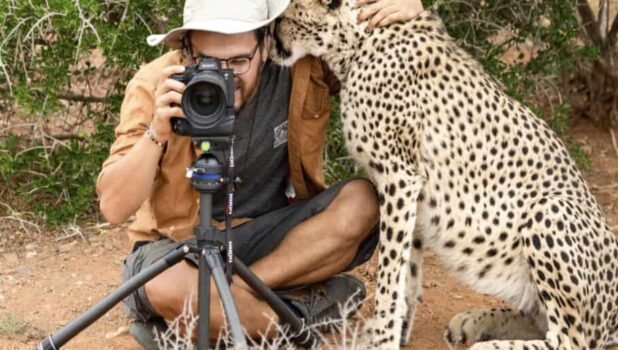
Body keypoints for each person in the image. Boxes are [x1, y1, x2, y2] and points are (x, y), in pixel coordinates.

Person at [96, 0, 424, 347]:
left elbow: (371, 46)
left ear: (265, 45)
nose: (226, 76)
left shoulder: (298, 66)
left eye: (239, 61)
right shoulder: (159, 84)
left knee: (362, 202)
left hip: (269, 238)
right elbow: (114, 207)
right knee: (163, 283)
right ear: (187, 49)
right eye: (207, 61)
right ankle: (296, 317)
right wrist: (155, 133)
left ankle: (207, 317)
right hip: (181, 246)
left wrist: (410, 14)